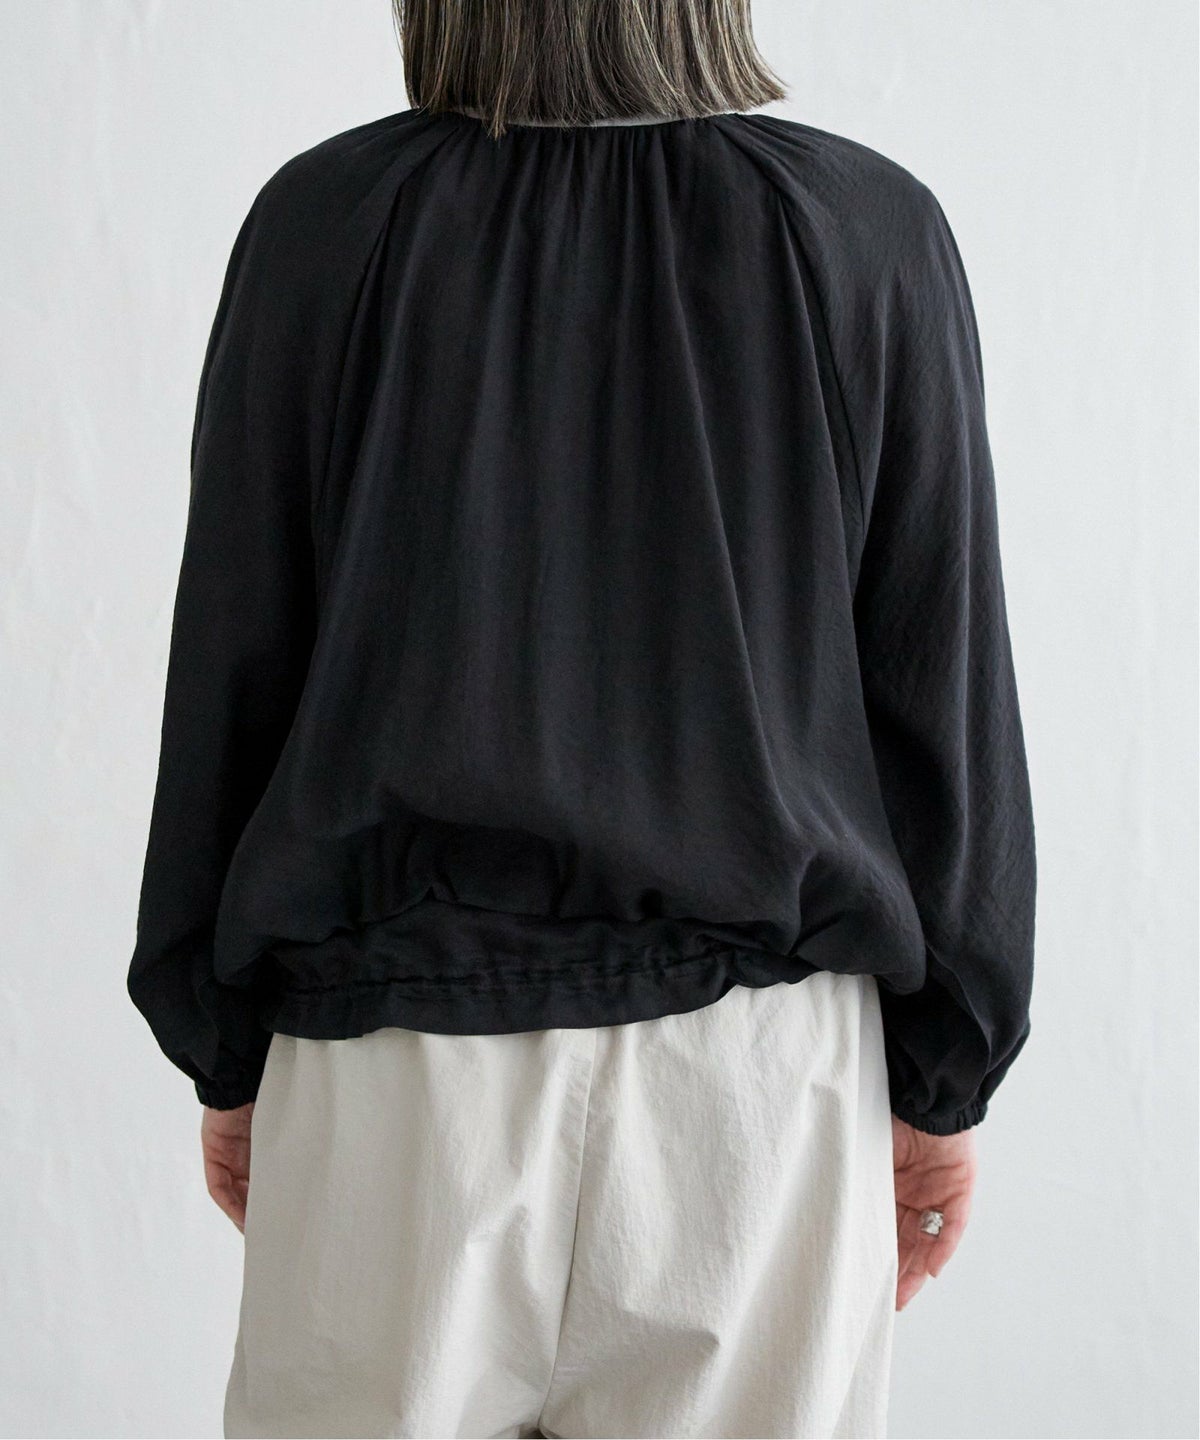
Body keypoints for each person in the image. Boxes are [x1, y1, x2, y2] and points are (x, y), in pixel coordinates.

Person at [126, 1, 1037, 1435]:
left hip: (394, 1073)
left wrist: (228, 1049)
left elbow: (236, 663)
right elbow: (944, 691)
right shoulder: (864, 231)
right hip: (755, 1094)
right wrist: (945, 1073)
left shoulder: (325, 225)